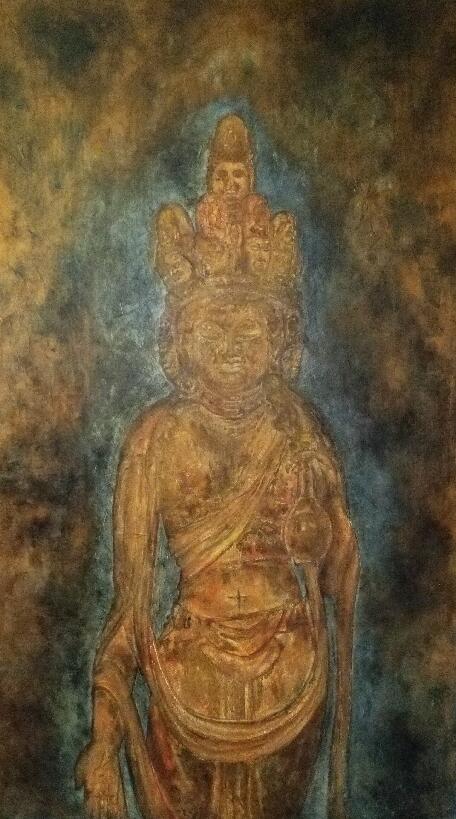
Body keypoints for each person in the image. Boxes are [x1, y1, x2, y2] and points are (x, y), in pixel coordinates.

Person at [76, 114, 359, 819]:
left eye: (249, 325)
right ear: (181, 336)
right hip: (186, 675)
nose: (232, 344)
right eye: (212, 325)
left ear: (280, 337)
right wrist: (103, 739)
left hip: (291, 676)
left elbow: (337, 570)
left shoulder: (297, 427)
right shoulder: (157, 438)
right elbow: (129, 605)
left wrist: (319, 528)